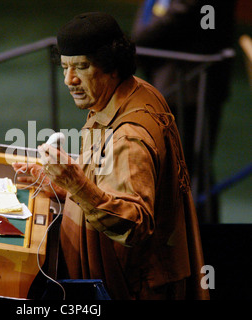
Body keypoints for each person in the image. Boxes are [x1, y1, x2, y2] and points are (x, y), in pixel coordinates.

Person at [12, 12, 209, 300]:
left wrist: (76, 183)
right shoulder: (134, 91)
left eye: (82, 66)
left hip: (130, 290)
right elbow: (109, 175)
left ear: (112, 66)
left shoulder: (129, 137)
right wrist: (63, 182)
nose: (69, 80)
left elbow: (135, 224)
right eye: (65, 67)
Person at [132, 0, 237, 221]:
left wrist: (132, 46)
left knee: (188, 166)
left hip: (190, 87)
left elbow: (180, 17)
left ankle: (196, 234)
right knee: (175, 165)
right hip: (170, 82)